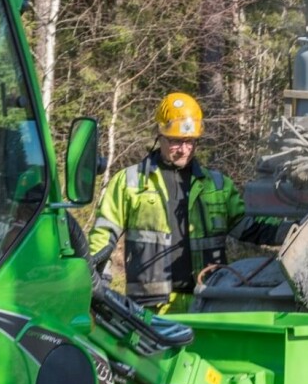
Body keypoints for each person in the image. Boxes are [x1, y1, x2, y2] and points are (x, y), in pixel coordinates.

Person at [88, 92, 282, 314]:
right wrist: (99, 279)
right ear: (159, 135)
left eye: (190, 142)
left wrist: (291, 230)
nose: (184, 149)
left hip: (207, 300)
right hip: (148, 307)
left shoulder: (217, 185)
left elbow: (249, 227)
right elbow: (103, 235)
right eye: (176, 141)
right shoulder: (130, 182)